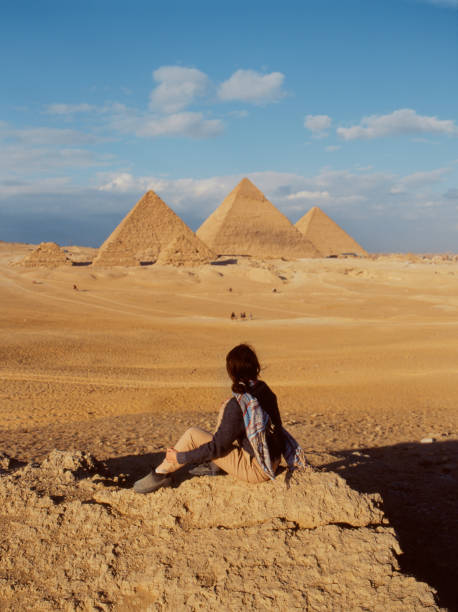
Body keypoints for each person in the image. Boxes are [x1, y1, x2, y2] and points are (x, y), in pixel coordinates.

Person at [133, 344, 305, 494]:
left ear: (231, 372)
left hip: (257, 468)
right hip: (271, 459)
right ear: (256, 367)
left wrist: (180, 457)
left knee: (192, 434)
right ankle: (216, 466)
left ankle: (161, 472)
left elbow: (217, 448)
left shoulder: (239, 404)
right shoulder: (263, 390)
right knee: (226, 408)